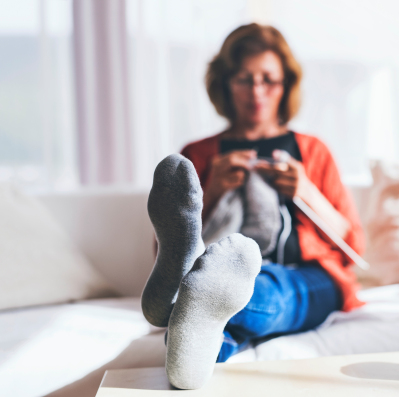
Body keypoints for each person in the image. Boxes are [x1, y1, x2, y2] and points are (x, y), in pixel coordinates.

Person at [141, 23, 365, 390]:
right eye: (245, 79)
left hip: (310, 276)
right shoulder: (198, 154)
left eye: (269, 80)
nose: (257, 92)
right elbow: (163, 252)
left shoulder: (312, 150)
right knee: (198, 324)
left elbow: (354, 246)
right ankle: (191, 357)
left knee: (265, 291)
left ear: (285, 85)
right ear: (226, 83)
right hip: (214, 272)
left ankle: (187, 296)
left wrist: (307, 192)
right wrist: (211, 191)